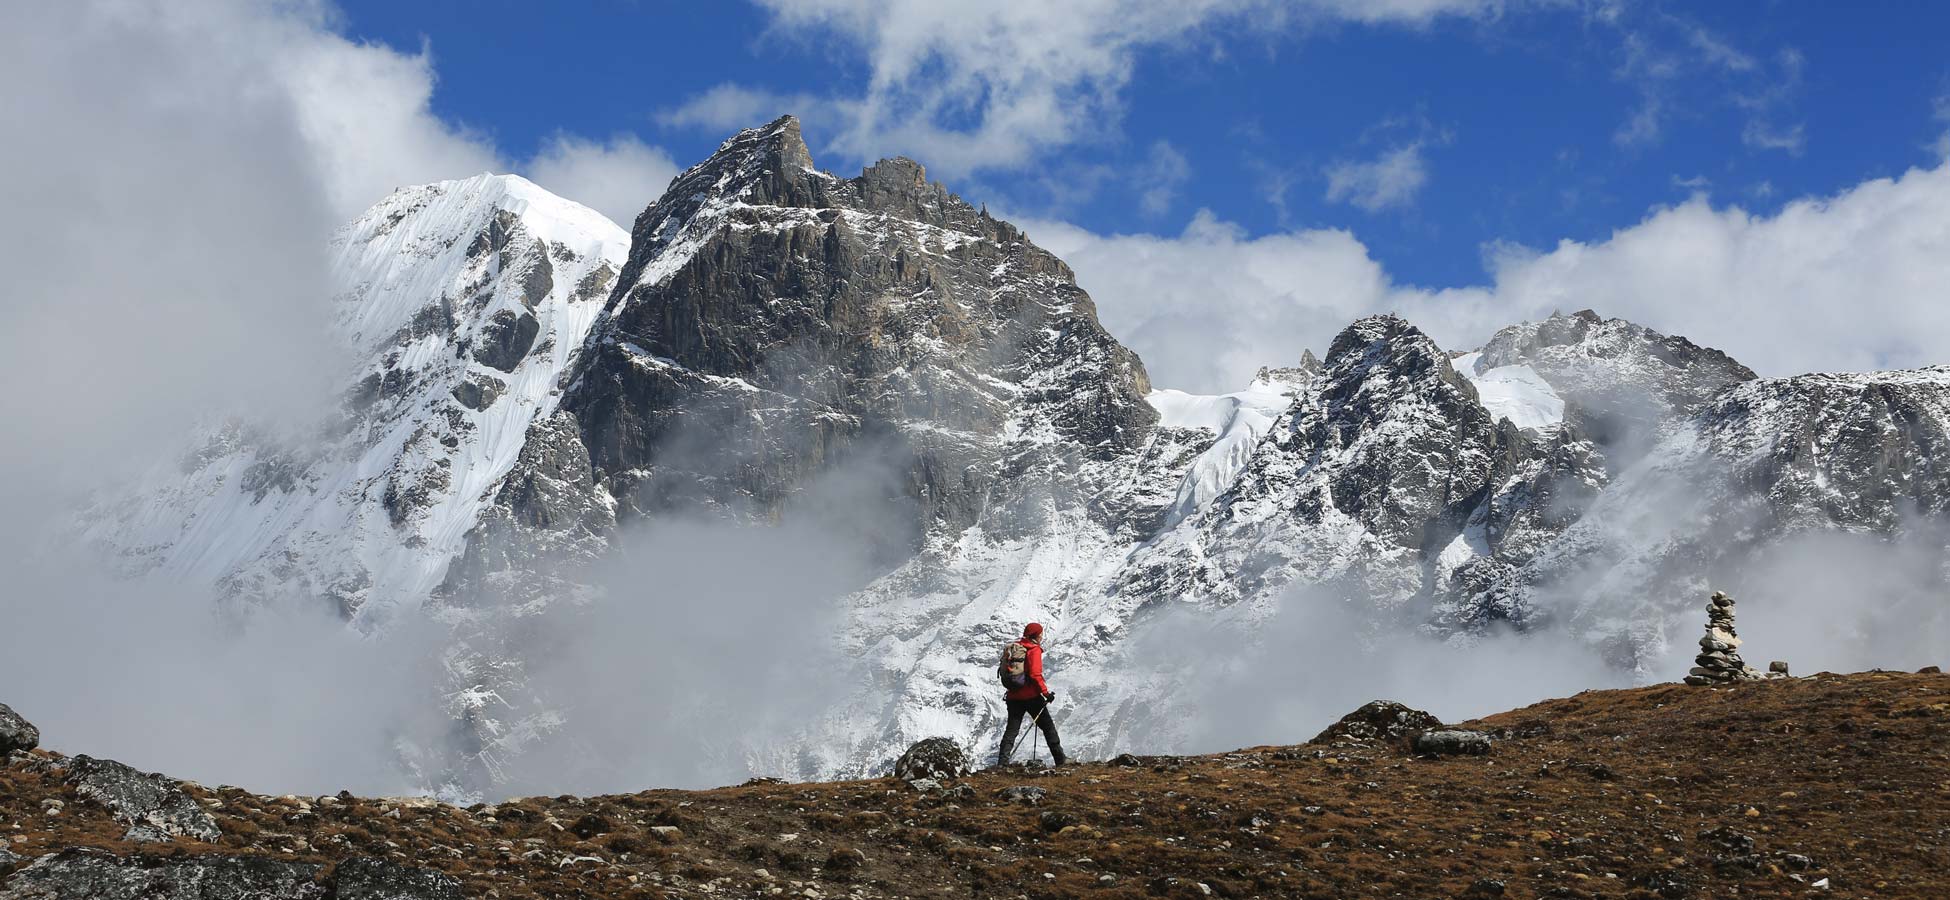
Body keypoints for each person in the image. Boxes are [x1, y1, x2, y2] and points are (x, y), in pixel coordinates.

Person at [997, 622, 1067, 766]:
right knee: (1048, 728)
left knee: (1011, 731)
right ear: (1037, 635)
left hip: (1013, 696)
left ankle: (1002, 763)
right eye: (1041, 633)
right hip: (1031, 697)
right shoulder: (1033, 650)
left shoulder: (1016, 647)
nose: (1042, 636)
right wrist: (1046, 693)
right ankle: (1060, 760)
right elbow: (1035, 674)